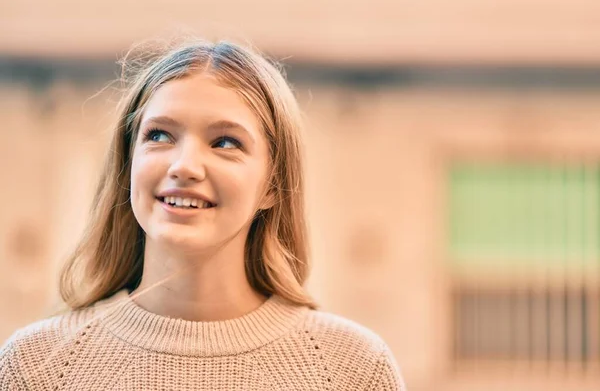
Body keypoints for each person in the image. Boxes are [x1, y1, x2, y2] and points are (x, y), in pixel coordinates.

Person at [0, 39, 406, 390]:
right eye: (159, 135)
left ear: (272, 185)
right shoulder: (35, 366)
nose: (185, 166)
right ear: (128, 164)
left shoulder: (353, 369)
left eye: (225, 142)